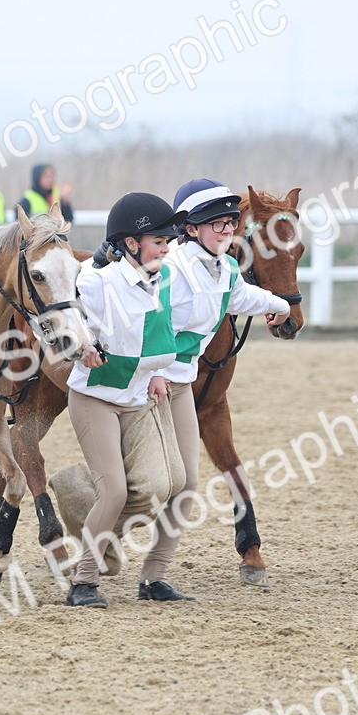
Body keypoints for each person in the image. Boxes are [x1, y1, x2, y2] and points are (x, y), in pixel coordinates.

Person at [151, 178, 293, 584]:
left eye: (231, 222)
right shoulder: (170, 271)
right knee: (149, 484)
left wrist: (283, 305)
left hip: (178, 382)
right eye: (219, 223)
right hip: (150, 382)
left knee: (185, 482)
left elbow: (242, 296)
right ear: (190, 228)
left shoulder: (225, 269)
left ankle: (155, 576)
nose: (227, 230)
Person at [64, 192, 189, 609]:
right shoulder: (96, 281)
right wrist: (78, 345)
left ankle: (79, 496)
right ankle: (83, 582)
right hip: (95, 397)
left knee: (165, 483)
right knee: (116, 491)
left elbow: (150, 338)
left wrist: (154, 374)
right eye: (159, 241)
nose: (167, 248)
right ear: (132, 244)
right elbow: (51, 321)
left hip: (137, 397)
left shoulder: (162, 280)